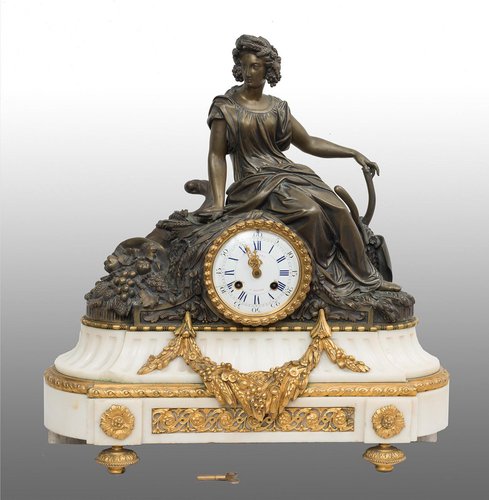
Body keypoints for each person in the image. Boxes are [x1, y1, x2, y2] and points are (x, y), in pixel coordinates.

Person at [199, 34, 400, 295]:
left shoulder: (277, 108)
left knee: (339, 209)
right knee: (310, 212)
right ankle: (325, 275)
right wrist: (217, 201)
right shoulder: (226, 107)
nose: (248, 72)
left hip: (288, 174)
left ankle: (366, 278)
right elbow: (216, 155)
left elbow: (309, 142)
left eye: (255, 66)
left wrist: (352, 153)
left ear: (268, 69)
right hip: (254, 183)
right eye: (245, 66)